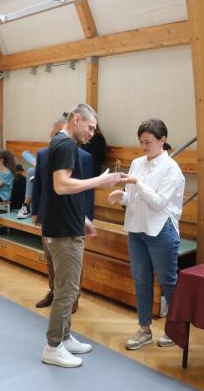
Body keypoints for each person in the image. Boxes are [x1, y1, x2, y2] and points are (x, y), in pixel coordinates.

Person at [40, 103, 121, 368]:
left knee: (67, 288)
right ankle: (53, 346)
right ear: (76, 119)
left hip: (66, 224)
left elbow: (59, 192)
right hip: (63, 232)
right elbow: (61, 185)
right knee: (67, 291)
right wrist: (100, 181)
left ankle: (64, 337)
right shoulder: (65, 144)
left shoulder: (62, 143)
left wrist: (82, 218)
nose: (92, 134)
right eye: (91, 127)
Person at [109, 118, 185, 350]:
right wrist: (122, 196)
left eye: (148, 142)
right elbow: (134, 197)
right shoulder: (137, 163)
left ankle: (177, 330)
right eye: (141, 142)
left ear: (162, 140)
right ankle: (144, 329)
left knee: (168, 282)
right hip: (137, 229)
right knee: (141, 281)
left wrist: (137, 182)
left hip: (161, 230)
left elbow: (159, 203)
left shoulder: (172, 169)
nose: (143, 147)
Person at [32, 116, 95, 313]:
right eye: (55, 134)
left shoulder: (84, 157)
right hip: (48, 215)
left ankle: (72, 297)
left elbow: (87, 192)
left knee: (72, 263)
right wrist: (36, 211)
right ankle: (53, 291)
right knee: (50, 258)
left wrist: (86, 218)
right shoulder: (44, 154)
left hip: (71, 219)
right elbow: (39, 184)